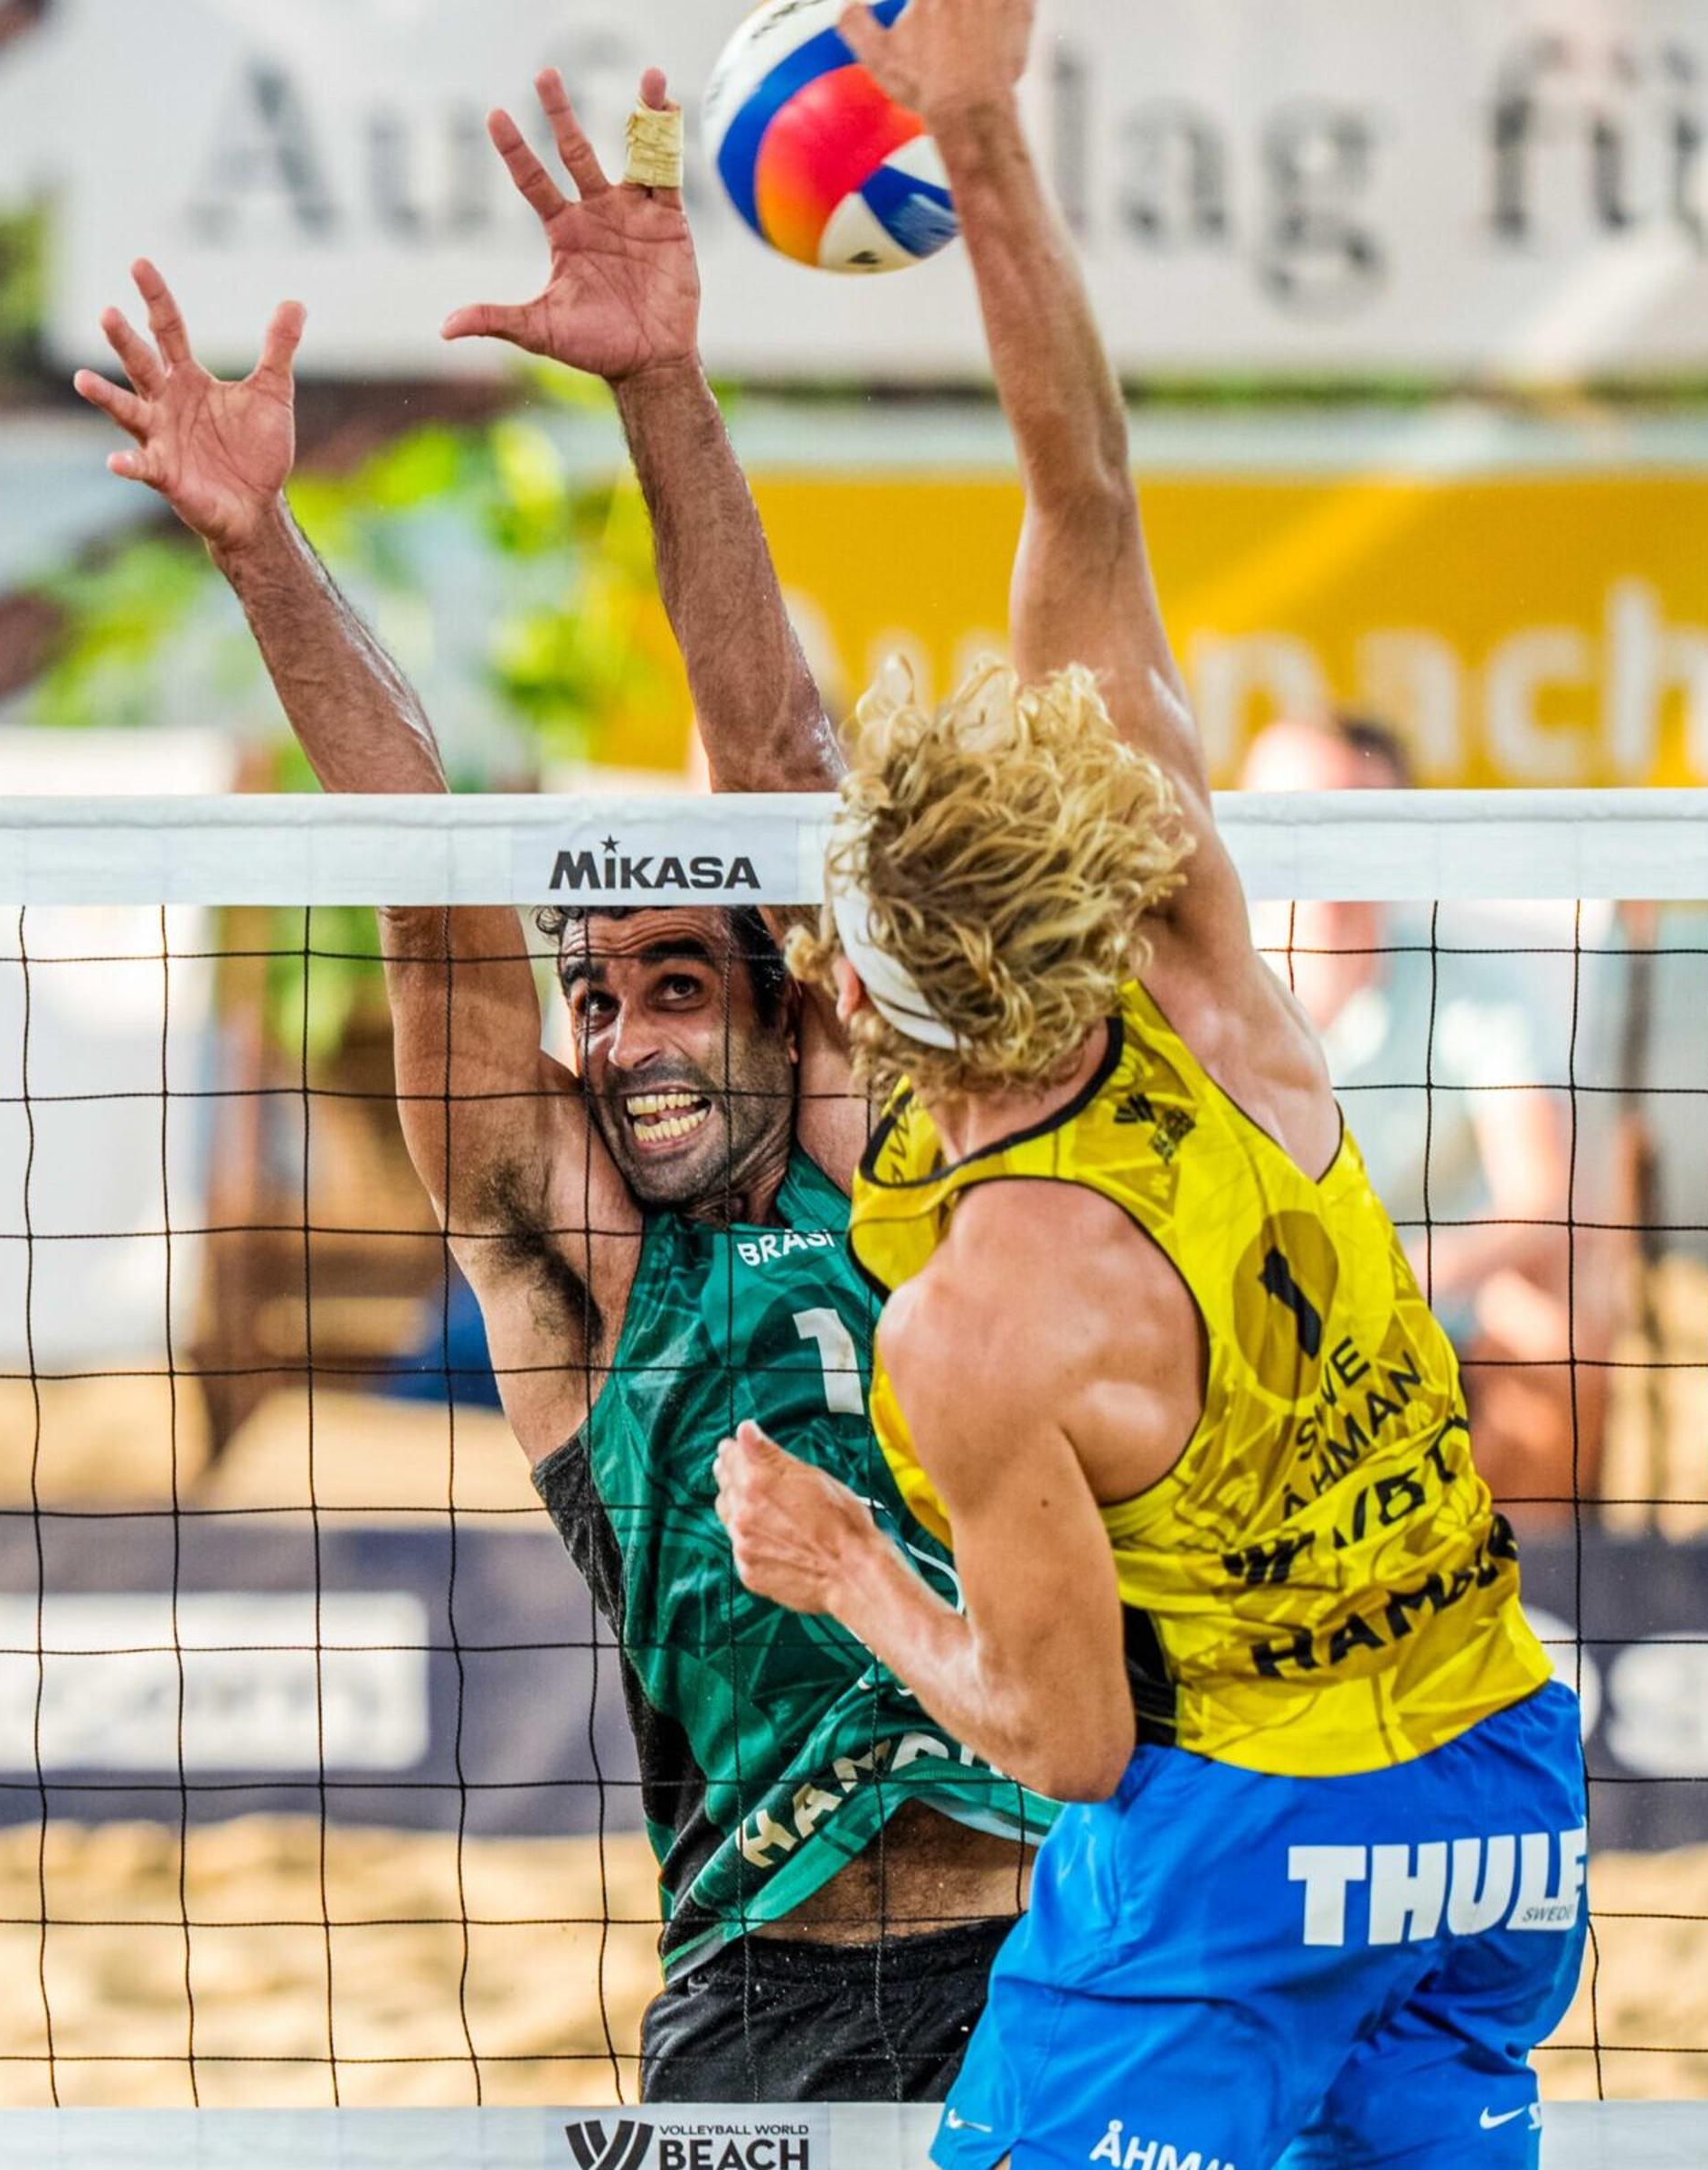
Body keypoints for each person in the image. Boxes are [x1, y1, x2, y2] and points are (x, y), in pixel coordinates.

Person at [71, 66, 1052, 2103]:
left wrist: (662, 391)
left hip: (1054, 1960)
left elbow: (780, 779)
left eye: (672, 984)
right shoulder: (589, 1277)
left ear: (794, 1013)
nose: (618, 1038)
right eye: (593, 1003)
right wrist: (259, 547)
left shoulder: (892, 1173)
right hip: (762, 1992)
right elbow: (432, 900)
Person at [708, 4, 1586, 2164]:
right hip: (1496, 1799)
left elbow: (1069, 1734)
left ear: (884, 1002)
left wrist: (839, 1566)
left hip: (1243, 1853)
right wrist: (981, 136)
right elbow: (1079, 485)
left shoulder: (975, 1319)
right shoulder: (1209, 973)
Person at [1241, 711, 1618, 1506]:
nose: (1326, 856)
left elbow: (1545, 1199)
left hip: (1436, 1314)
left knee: (1556, 1329)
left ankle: (1529, 1608)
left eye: (1356, 824)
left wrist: (1398, 1277)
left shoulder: (1476, 986)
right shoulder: (1196, 1002)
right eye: (1298, 819)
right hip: (1250, 1317)